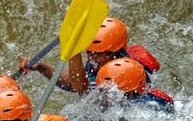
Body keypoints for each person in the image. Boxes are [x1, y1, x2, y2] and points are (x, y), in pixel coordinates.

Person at [19, 16, 161, 93]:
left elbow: (80, 88)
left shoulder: (123, 70)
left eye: (97, 53)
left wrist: (74, 51)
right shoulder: (99, 60)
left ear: (114, 52)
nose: (91, 57)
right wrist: (41, 68)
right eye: (89, 51)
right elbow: (73, 82)